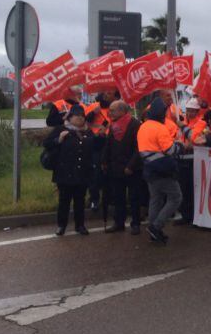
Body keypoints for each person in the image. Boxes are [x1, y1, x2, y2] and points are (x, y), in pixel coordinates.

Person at [43, 104, 101, 236]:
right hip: (65, 172)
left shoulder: (87, 131)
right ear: (70, 117)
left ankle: (80, 225)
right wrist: (59, 139)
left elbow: (95, 147)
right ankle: (61, 225)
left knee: (79, 201)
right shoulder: (61, 129)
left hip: (82, 172)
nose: (80, 119)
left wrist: (101, 138)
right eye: (77, 116)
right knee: (64, 201)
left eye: (82, 116)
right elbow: (47, 144)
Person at [138, 97, 184, 244]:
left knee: (155, 200)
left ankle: (153, 230)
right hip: (163, 169)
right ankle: (156, 227)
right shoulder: (160, 128)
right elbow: (170, 150)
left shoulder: (143, 126)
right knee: (175, 198)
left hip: (149, 169)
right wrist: (180, 145)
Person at [101, 100, 142, 235]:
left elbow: (139, 148)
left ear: (122, 111)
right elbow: (109, 145)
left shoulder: (135, 124)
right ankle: (119, 222)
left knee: (134, 197)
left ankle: (135, 223)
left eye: (112, 110)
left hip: (132, 168)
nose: (110, 113)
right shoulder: (113, 126)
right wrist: (104, 161)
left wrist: (131, 165)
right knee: (118, 197)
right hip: (116, 167)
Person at [175, 98, 207, 225]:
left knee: (193, 190)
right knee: (183, 189)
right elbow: (177, 139)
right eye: (188, 110)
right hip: (181, 160)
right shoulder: (181, 123)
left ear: (198, 111)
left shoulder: (201, 123)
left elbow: (193, 139)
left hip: (194, 160)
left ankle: (194, 216)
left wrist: (184, 141)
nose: (190, 113)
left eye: (193, 111)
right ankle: (185, 216)